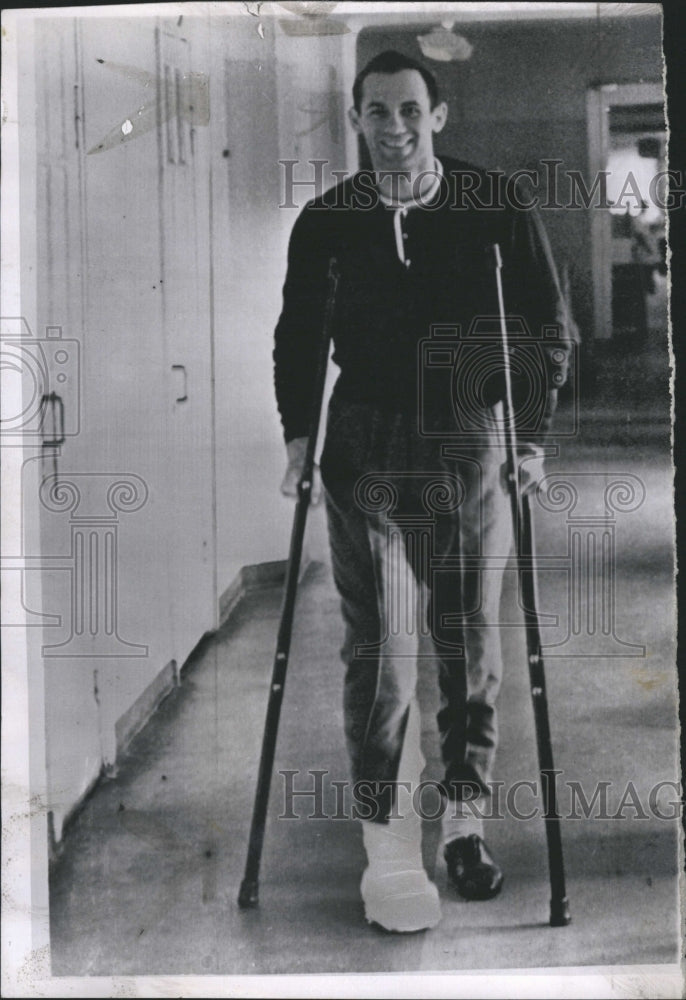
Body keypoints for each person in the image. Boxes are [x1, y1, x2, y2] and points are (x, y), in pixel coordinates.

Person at [273, 50, 573, 932]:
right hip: (362, 442)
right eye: (376, 112)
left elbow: (548, 328)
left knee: (468, 639)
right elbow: (297, 333)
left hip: (468, 437)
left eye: (410, 111)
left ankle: (465, 827)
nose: (393, 129)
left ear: (437, 116)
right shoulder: (328, 221)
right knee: (381, 653)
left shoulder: (495, 205)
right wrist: (299, 433)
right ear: (357, 119)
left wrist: (531, 436)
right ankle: (387, 848)